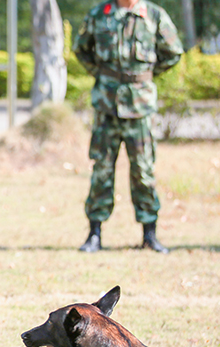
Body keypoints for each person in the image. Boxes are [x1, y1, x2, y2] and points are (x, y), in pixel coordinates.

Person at [73, 0, 183, 253]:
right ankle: (94, 234)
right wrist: (104, 75)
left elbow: (174, 51)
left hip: (139, 108)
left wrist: (144, 77)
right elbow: (81, 49)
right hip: (106, 106)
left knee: (143, 171)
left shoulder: (154, 16)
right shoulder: (99, 14)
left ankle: (150, 235)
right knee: (102, 170)